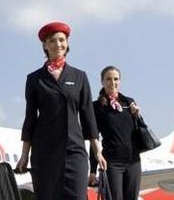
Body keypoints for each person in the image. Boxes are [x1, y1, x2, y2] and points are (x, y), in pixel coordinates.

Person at [15, 21, 106, 200]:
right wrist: (25, 155)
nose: (58, 44)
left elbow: (87, 115)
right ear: (45, 46)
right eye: (52, 41)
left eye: (62, 40)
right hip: (44, 152)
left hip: (74, 150)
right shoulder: (34, 79)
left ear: (67, 43)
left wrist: (97, 150)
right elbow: (30, 118)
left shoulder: (79, 76)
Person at [88, 66, 142, 200]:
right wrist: (93, 171)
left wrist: (137, 115)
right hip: (112, 163)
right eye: (108, 79)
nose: (113, 82)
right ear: (102, 82)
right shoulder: (96, 107)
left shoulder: (129, 102)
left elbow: (140, 130)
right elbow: (93, 139)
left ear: (120, 81)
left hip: (133, 161)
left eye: (116, 79)